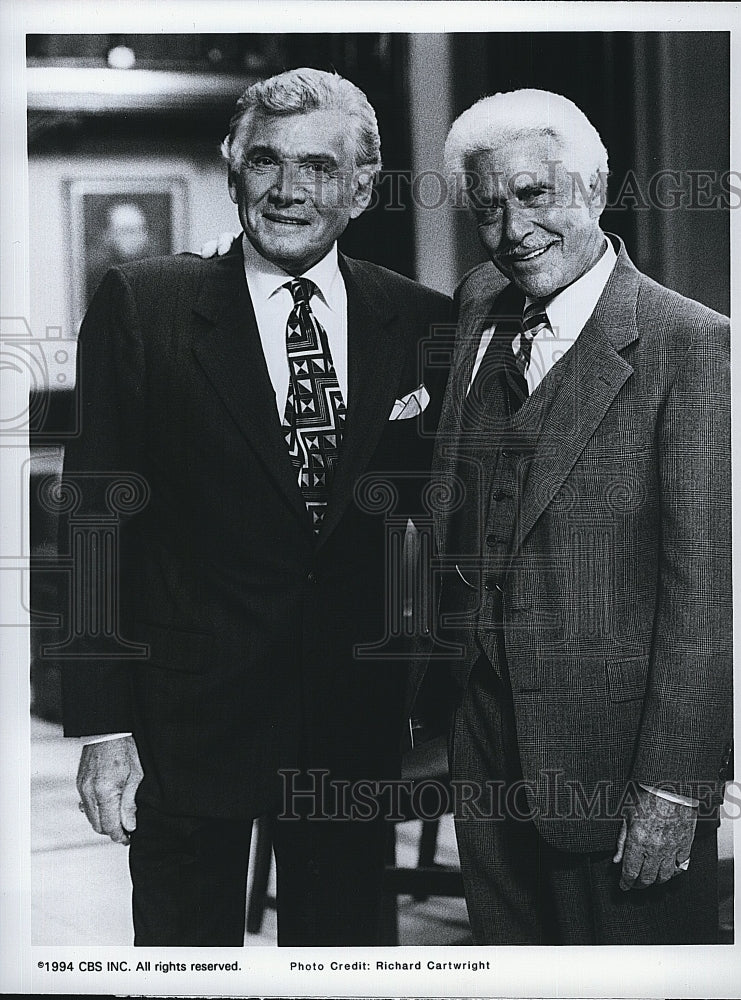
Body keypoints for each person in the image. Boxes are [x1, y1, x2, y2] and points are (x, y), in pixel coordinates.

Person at [59, 68, 450, 947]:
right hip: (185, 721)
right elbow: (91, 528)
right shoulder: (145, 306)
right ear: (232, 169)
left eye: (318, 167)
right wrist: (104, 725)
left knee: (343, 962)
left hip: (352, 726)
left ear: (360, 187)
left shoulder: (423, 320)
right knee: (184, 962)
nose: (288, 190)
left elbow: (455, 525)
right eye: (266, 161)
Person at [428, 89, 732, 944]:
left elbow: (705, 595)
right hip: (484, 741)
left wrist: (675, 788)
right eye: (487, 206)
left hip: (615, 764)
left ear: (595, 190)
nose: (511, 228)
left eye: (534, 196)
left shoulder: (692, 344)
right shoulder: (478, 306)